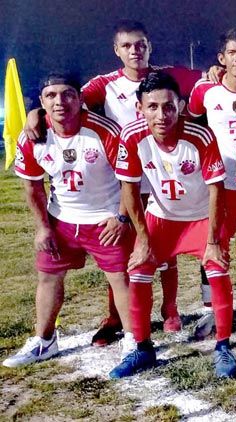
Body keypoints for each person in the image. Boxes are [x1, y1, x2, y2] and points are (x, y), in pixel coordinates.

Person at [24, 20, 204, 345]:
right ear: (117, 50)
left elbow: (207, 80)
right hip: (124, 176)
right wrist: (35, 113)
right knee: (124, 252)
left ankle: (170, 309)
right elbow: (67, 99)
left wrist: (215, 72)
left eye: (141, 44)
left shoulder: (169, 76)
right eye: (127, 45)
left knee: (164, 246)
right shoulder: (104, 84)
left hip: (163, 172)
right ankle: (115, 318)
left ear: (149, 46)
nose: (135, 51)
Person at [4, 73, 134, 368]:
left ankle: (133, 339)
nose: (59, 101)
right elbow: (32, 186)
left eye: (67, 94)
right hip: (61, 218)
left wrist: (121, 217)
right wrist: (42, 227)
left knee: (120, 278)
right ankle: (44, 340)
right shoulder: (33, 136)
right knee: (48, 276)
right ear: (41, 102)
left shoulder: (104, 131)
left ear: (80, 98)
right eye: (51, 96)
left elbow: (129, 179)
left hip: (105, 219)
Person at [111, 72, 235, 379]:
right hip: (161, 217)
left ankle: (223, 346)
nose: (161, 115)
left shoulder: (200, 136)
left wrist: (213, 241)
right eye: (152, 107)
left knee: (217, 270)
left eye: (168, 106)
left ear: (179, 105)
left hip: (201, 218)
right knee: (138, 271)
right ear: (140, 108)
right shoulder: (131, 135)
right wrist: (142, 239)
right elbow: (129, 188)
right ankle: (143, 348)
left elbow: (216, 190)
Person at [187, 28, 236, 339]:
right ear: (221, 58)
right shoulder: (205, 90)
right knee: (214, 245)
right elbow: (190, 121)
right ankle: (210, 310)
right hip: (220, 186)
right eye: (232, 52)